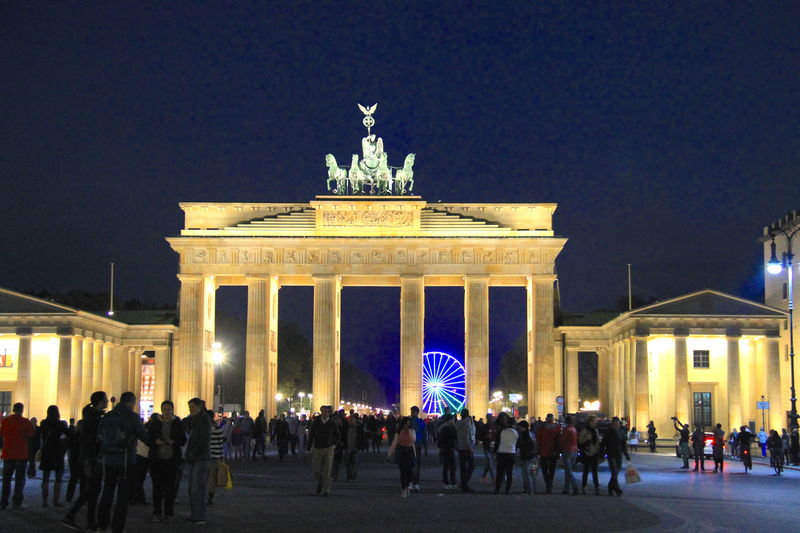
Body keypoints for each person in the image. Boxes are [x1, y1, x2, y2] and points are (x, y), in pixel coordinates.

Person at [96, 391, 151, 533]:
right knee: (122, 496)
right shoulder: (132, 417)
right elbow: (144, 436)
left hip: (108, 460)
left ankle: (102, 525)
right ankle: (117, 527)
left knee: (107, 492)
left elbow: (99, 436)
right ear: (132, 402)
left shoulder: (108, 416)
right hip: (126, 460)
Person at [61, 391, 109, 531]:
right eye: (105, 400)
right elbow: (91, 440)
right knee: (93, 490)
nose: (107, 402)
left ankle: (89, 521)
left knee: (92, 490)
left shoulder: (90, 416)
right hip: (92, 458)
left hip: (89, 457)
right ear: (100, 402)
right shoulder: (94, 419)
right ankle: (74, 516)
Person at [148, 400, 186, 522]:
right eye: (164, 409)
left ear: (172, 410)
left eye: (168, 409)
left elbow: (183, 439)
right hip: (157, 459)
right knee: (157, 487)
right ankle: (157, 512)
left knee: (170, 488)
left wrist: (173, 441)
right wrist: (155, 441)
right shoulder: (155, 422)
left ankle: (168, 513)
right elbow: (149, 437)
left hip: (172, 459)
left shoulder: (177, 423)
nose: (166, 412)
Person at [0, 402, 35, 510]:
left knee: (6, 479)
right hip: (21, 454)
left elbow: (1, 434)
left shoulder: (6, 421)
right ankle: (17, 502)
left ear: (13, 409)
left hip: (8, 453)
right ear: (22, 410)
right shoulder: (26, 422)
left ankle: (4, 502)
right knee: (20, 480)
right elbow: (31, 435)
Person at [184, 397, 212, 524]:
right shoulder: (195, 419)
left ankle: (199, 516)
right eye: (189, 407)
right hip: (196, 457)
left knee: (197, 488)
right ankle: (196, 514)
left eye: (192, 407)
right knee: (193, 487)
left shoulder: (204, 420)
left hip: (201, 458)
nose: (190, 409)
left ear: (200, 407)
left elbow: (204, 440)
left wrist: (192, 452)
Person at [39, 405, 68, 507]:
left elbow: (40, 434)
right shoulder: (60, 424)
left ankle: (44, 501)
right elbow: (69, 435)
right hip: (57, 452)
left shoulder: (43, 423)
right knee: (58, 477)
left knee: (45, 478)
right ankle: (56, 500)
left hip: (47, 452)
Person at [308, 406, 340, 496]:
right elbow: (311, 435)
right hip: (317, 447)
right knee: (316, 469)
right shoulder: (316, 422)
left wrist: (334, 445)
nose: (324, 414)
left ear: (328, 413)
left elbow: (338, 435)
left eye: (325, 412)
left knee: (327, 470)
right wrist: (308, 447)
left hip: (329, 448)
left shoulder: (332, 423)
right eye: (322, 412)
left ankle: (326, 490)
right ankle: (320, 481)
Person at [387, 416, 416, 497]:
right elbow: (394, 444)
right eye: (406, 423)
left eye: (409, 423)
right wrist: (389, 454)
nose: (407, 425)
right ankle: (404, 488)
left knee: (409, 471)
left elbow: (413, 440)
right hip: (401, 452)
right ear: (403, 424)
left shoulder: (412, 431)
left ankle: (407, 486)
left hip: (409, 451)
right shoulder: (399, 432)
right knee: (403, 471)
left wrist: (409, 431)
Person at [601, 417, 630, 496]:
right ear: (612, 424)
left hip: (619, 455)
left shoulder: (621, 433)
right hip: (611, 454)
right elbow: (603, 444)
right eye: (614, 424)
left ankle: (610, 487)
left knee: (615, 473)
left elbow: (624, 445)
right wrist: (602, 454)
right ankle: (617, 489)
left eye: (617, 424)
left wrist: (626, 455)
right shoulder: (608, 433)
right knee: (614, 471)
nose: (616, 426)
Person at [493, 413, 518, 495]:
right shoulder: (515, 432)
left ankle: (497, 489)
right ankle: (508, 489)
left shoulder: (501, 431)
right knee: (509, 472)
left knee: (499, 472)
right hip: (511, 453)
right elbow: (517, 443)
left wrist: (494, 452)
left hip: (501, 453)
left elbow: (497, 443)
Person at [536, 413, 561, 493]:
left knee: (544, 468)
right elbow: (559, 440)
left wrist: (538, 449)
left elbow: (538, 440)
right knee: (552, 469)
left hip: (544, 450)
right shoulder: (557, 428)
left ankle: (548, 483)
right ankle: (549, 483)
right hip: (553, 451)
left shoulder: (541, 428)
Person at [578, 415, 602, 495]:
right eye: (594, 421)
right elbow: (580, 441)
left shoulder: (596, 431)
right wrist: (587, 438)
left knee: (595, 471)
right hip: (586, 453)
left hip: (594, 452)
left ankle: (596, 488)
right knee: (586, 470)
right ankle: (584, 487)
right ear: (589, 422)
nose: (595, 423)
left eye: (596, 422)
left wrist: (598, 449)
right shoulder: (584, 430)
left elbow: (597, 442)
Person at [455, 408, 476, 493]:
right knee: (472, 465)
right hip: (466, 448)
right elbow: (466, 437)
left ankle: (463, 484)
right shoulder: (467, 424)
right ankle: (464, 483)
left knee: (463, 467)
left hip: (460, 447)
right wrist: (470, 448)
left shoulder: (458, 423)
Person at [207, 411, 224, 505]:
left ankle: (201, 495)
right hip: (215, 456)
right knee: (212, 478)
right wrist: (222, 457)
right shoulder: (218, 428)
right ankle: (211, 496)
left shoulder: (203, 429)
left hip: (204, 456)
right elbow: (220, 444)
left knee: (202, 477)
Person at [560, 415, 579, 496]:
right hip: (574, 450)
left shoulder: (567, 430)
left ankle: (575, 487)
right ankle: (566, 488)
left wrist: (560, 447)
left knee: (568, 471)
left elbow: (563, 440)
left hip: (567, 450)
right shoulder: (574, 429)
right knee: (568, 470)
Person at [437, 416, 457, 489]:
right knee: (449, 467)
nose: (454, 422)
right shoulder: (447, 429)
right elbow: (454, 436)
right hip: (447, 449)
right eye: (453, 420)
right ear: (449, 420)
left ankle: (449, 483)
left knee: (449, 467)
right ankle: (450, 483)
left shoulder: (443, 428)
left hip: (447, 449)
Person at [516, 420, 535, 495]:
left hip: (526, 456)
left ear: (524, 428)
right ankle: (528, 490)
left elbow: (528, 446)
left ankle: (530, 490)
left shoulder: (525, 436)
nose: (519, 428)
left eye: (520, 427)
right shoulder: (527, 435)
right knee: (527, 473)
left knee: (526, 474)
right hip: (528, 456)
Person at [409, 406, 426, 492]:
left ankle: (415, 483)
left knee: (416, 466)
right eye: (411, 411)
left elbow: (424, 435)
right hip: (409, 445)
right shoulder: (408, 422)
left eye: (413, 411)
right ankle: (411, 482)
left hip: (417, 445)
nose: (412, 413)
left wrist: (425, 447)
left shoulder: (421, 423)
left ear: (417, 412)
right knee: (410, 465)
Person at [65, 419, 81, 503]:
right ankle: (81, 497)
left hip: (74, 459)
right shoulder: (82, 436)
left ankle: (69, 496)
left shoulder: (73, 435)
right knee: (81, 479)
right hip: (79, 459)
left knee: (73, 478)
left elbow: (69, 446)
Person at [343, 414, 363, 482]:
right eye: (350, 421)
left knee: (354, 463)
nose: (351, 423)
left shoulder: (358, 429)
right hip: (347, 448)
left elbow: (361, 438)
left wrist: (360, 446)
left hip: (355, 448)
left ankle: (353, 476)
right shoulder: (345, 429)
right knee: (347, 464)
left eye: (352, 421)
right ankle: (349, 475)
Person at [479, 413, 497, 484]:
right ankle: (494, 479)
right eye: (490, 418)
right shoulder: (484, 427)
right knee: (490, 461)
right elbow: (480, 436)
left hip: (493, 446)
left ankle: (484, 476)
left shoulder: (495, 426)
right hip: (486, 446)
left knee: (489, 463)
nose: (491, 419)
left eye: (491, 417)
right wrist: (486, 436)